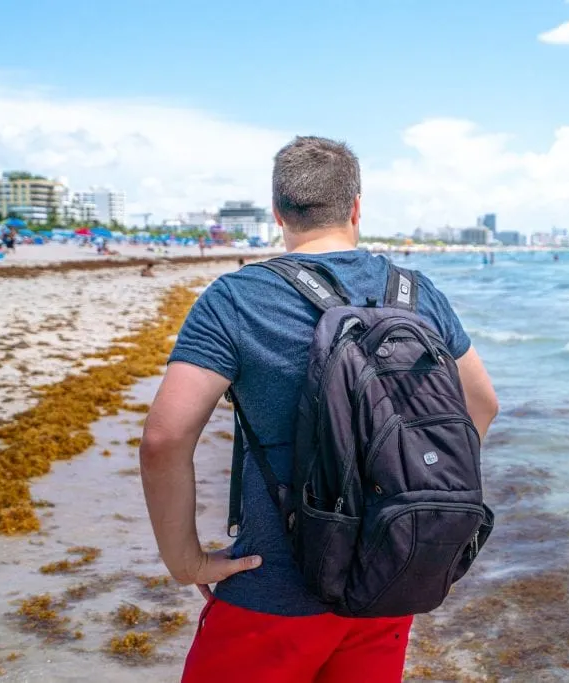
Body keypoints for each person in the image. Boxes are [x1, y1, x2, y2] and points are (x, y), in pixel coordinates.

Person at [140, 136, 499, 683]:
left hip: (272, 590)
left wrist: (184, 559)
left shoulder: (236, 298)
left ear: (278, 211)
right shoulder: (416, 293)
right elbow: (482, 406)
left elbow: (165, 440)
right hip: (386, 580)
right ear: (356, 206)